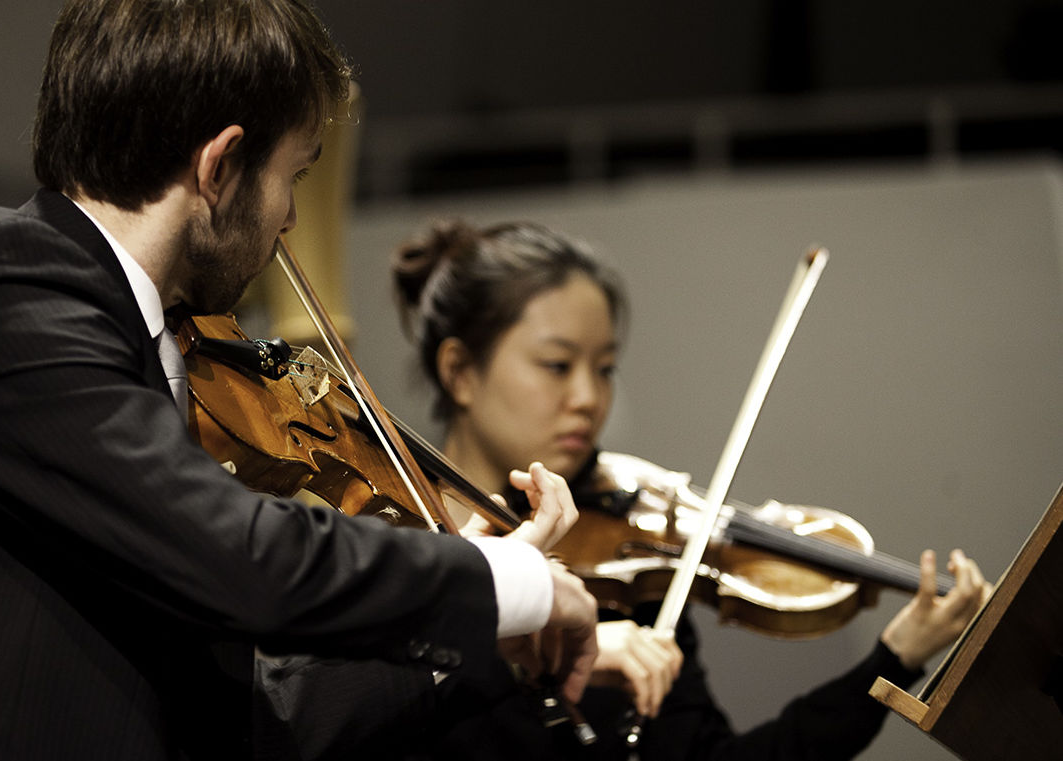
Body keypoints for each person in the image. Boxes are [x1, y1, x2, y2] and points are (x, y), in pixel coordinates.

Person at [0, 3, 599, 760]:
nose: (288, 219)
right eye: (294, 175)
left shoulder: (145, 339)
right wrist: (496, 575)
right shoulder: (8, 289)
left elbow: (239, 714)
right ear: (220, 167)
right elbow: (245, 557)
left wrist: (474, 628)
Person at [390, 219, 991, 760]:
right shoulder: (392, 557)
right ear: (460, 373)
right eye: (557, 365)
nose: (589, 398)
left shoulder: (635, 575)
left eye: (604, 368)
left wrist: (895, 659)